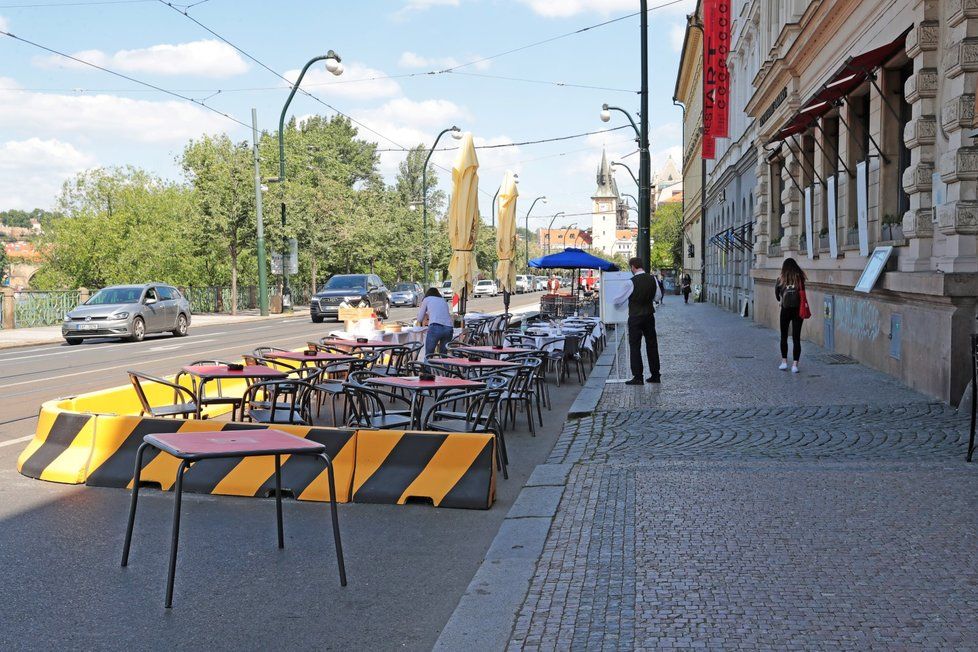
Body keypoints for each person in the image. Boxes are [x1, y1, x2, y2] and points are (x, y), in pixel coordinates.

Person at [613, 256, 661, 385]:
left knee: (635, 346)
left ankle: (638, 376)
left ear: (633, 267)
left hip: (635, 316)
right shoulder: (653, 279)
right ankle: (655, 375)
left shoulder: (630, 282)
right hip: (649, 315)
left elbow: (618, 300)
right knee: (652, 345)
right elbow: (658, 297)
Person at [775, 257, 806, 374]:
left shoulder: (781, 279)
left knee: (783, 336)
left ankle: (784, 362)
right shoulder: (800, 278)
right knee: (796, 337)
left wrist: (781, 300)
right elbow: (803, 293)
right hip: (798, 310)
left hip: (785, 309)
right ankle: (795, 365)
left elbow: (777, 294)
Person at [416, 287, 454, 358]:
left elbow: (419, 319)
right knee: (444, 355)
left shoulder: (426, 299)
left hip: (435, 327)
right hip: (449, 328)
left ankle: (427, 369)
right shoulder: (443, 300)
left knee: (429, 354)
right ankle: (445, 368)